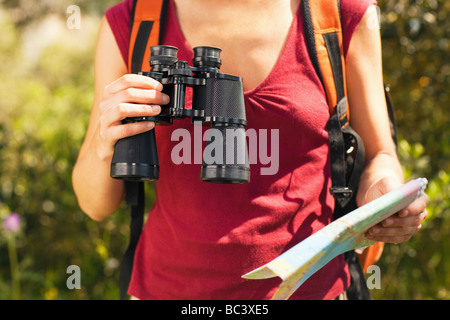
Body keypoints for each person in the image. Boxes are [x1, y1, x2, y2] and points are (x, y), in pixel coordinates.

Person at [72, 0, 428, 300]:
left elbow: (382, 154)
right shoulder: (134, 21)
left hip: (310, 290)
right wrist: (106, 141)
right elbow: (95, 205)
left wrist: (386, 196)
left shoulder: (338, 13)